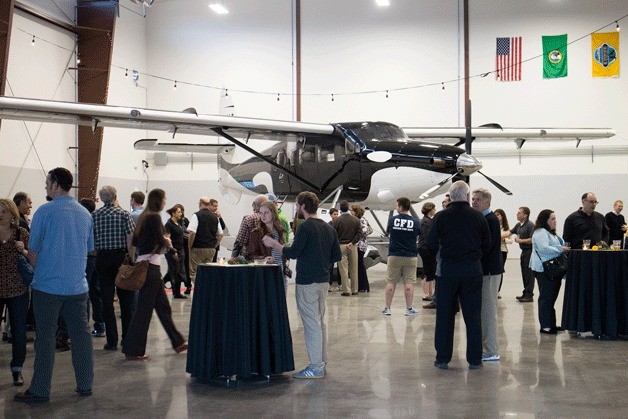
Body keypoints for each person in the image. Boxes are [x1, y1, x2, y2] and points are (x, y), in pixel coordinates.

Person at [15, 167, 94, 403]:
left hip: (48, 288)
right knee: (81, 337)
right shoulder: (85, 214)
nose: (45, 187)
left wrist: (40, 268)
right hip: (78, 287)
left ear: (56, 184)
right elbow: (88, 250)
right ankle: (85, 384)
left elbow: (33, 251)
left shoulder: (44, 212)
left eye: (47, 183)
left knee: (45, 339)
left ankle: (40, 389)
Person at [263, 191, 341, 379]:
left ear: (304, 207)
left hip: (307, 282)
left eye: (297, 205)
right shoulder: (329, 228)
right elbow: (336, 256)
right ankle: (321, 362)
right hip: (323, 280)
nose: (296, 208)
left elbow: (293, 252)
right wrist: (321, 262)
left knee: (312, 324)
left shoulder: (305, 227)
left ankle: (315, 366)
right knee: (320, 323)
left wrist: (274, 243)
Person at [427, 181, 490, 370]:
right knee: (473, 316)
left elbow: (430, 244)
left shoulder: (440, 217)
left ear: (450, 197)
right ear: (468, 196)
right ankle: (474, 359)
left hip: (447, 272)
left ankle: (443, 358)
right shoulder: (478, 217)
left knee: (444, 315)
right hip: (472, 271)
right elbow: (486, 245)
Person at [122, 189, 188, 361]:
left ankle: (178, 341)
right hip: (151, 267)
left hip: (149, 266)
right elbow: (160, 240)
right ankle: (134, 349)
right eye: (164, 198)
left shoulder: (145, 216)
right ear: (159, 200)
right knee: (144, 311)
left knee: (163, 308)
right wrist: (171, 248)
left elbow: (136, 241)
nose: (166, 201)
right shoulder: (154, 217)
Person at [92, 185, 136, 351]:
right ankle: (127, 338)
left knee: (107, 300)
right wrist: (131, 258)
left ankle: (111, 341)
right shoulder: (124, 213)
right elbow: (130, 237)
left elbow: (92, 240)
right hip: (120, 257)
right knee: (126, 299)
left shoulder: (95, 215)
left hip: (103, 258)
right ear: (115, 196)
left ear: (101, 199)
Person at [0, 199, 30, 386]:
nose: (1, 214)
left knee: (19, 331)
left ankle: (17, 369)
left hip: (17, 287)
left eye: (4, 211)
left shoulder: (22, 232)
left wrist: (23, 250)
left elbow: (32, 254)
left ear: (12, 213)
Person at [471, 189, 503, 362]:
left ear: (487, 202)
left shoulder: (490, 220)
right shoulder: (483, 219)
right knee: (484, 311)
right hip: (484, 272)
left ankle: (492, 350)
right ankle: (486, 348)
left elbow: (486, 248)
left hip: (489, 272)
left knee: (489, 312)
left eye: (477, 200)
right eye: (473, 199)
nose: (474, 202)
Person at [531, 209, 570, 335]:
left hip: (555, 270)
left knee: (552, 297)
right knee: (546, 297)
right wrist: (561, 249)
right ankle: (545, 326)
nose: (555, 221)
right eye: (552, 219)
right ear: (545, 220)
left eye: (555, 218)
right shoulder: (540, 232)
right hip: (544, 269)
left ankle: (551, 323)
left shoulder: (552, 234)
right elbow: (543, 248)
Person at [381, 197, 421, 316]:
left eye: (397, 205)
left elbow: (388, 232)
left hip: (394, 255)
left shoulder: (392, 220)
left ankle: (387, 308)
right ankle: (409, 309)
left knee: (391, 282)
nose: (395, 207)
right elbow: (418, 234)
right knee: (408, 282)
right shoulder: (415, 222)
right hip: (410, 255)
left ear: (401, 207)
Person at [79, 198, 105, 338]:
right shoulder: (98, 218)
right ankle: (100, 326)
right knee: (96, 293)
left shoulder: (84, 220)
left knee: (86, 292)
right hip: (98, 258)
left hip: (87, 258)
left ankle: (85, 327)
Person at [246, 201, 286, 287]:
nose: (263, 216)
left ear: (273, 213)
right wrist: (264, 258)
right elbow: (250, 255)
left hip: (281, 272)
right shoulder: (256, 233)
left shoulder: (280, 231)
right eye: (261, 213)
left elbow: (283, 251)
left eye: (266, 212)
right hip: (266, 274)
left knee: (281, 299)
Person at [187, 197, 223, 282]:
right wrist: (214, 245)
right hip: (211, 249)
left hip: (197, 248)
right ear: (209, 204)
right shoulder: (215, 217)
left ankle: (198, 292)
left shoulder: (196, 215)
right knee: (207, 272)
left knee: (194, 272)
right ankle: (207, 292)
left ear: (200, 203)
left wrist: (189, 246)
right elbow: (220, 235)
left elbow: (192, 232)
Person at [331, 200, 361, 297]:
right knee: (354, 268)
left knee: (343, 269)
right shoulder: (356, 220)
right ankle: (354, 289)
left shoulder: (337, 220)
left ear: (340, 209)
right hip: (352, 246)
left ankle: (346, 290)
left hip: (341, 246)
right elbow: (359, 233)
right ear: (348, 208)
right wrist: (352, 242)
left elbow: (333, 234)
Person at [505, 207, 535, 303]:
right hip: (524, 252)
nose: (517, 214)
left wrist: (520, 240)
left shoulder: (530, 225)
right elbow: (509, 232)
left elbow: (532, 239)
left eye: (519, 213)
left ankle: (529, 295)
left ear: (525, 215)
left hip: (530, 251)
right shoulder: (519, 225)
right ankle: (525, 293)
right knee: (524, 273)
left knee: (529, 274)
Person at [164, 204, 188, 299]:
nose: (181, 213)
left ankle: (176, 291)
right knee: (175, 271)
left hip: (180, 250)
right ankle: (176, 292)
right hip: (173, 252)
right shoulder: (169, 224)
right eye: (179, 212)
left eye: (181, 212)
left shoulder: (178, 223)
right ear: (173, 213)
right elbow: (167, 239)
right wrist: (173, 251)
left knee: (179, 271)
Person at [418, 202, 436, 302]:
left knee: (429, 271)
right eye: (434, 208)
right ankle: (425, 294)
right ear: (429, 209)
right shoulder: (426, 222)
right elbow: (425, 237)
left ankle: (429, 293)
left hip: (425, 248)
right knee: (427, 270)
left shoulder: (427, 220)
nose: (435, 210)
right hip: (425, 248)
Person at [351, 204, 371, 293]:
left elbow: (364, 231)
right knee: (359, 265)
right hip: (359, 244)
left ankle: (363, 286)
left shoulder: (361, 220)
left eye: (351, 210)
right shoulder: (357, 220)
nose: (350, 212)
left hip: (360, 245)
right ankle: (363, 285)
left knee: (360, 265)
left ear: (355, 212)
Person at [494, 209, 511, 299]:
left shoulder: (506, 228)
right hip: (494, 251)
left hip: (502, 250)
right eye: (495, 215)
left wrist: (504, 239)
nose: (496, 216)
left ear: (502, 216)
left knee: (500, 270)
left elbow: (510, 240)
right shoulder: (492, 225)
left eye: (498, 215)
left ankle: (498, 290)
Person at [208, 198, 228, 262]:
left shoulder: (216, 215)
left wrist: (220, 217)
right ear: (209, 205)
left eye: (217, 206)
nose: (216, 208)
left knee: (213, 262)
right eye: (214, 206)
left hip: (215, 243)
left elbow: (223, 227)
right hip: (208, 243)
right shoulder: (207, 215)